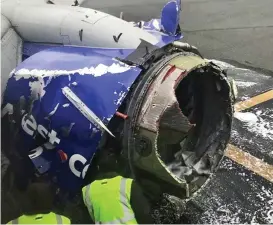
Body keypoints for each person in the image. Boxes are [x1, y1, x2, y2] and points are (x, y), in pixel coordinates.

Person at [81, 148, 154, 224]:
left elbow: (89, 219)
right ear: (116, 165)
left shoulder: (87, 191)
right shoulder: (128, 184)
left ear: (98, 168)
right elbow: (144, 215)